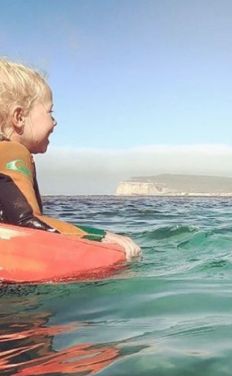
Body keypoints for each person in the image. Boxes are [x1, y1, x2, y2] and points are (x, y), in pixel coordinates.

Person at [0, 58, 141, 260]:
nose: (55, 122)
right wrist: (100, 237)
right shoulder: (13, 151)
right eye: (50, 112)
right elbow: (27, 222)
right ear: (19, 117)